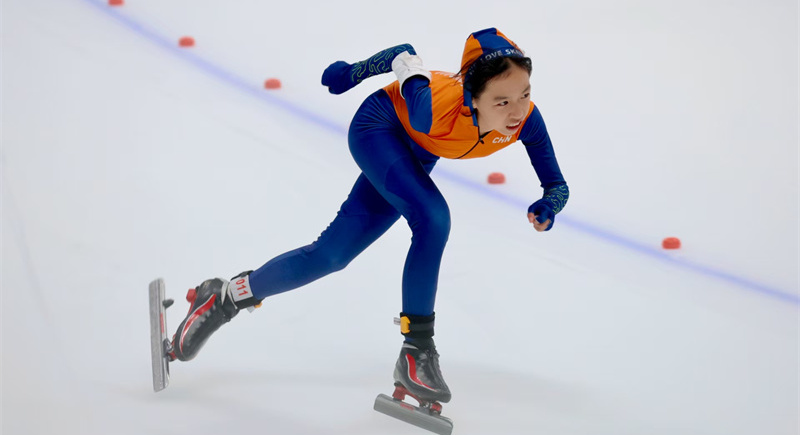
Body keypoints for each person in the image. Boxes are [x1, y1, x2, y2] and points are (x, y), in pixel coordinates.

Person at [167, 28, 569, 406]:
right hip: (379, 128)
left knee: (330, 255)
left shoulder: (527, 119)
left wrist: (548, 205)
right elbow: (405, 56)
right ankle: (417, 349)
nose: (518, 110)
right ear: (473, 97)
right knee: (433, 219)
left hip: (416, 151)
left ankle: (224, 297)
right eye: (502, 101)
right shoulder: (434, 109)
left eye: (525, 94)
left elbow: (557, 185)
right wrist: (352, 74)